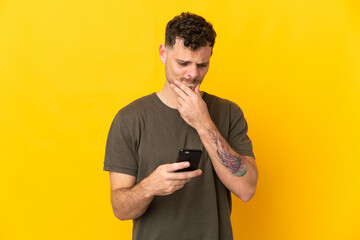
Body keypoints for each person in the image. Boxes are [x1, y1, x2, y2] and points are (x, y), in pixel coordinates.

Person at [104, 12, 258, 240]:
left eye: (202, 64)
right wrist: (150, 186)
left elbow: (246, 189)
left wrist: (203, 122)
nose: (193, 74)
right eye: (183, 63)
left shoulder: (228, 113)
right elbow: (120, 208)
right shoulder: (130, 119)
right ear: (163, 54)